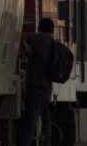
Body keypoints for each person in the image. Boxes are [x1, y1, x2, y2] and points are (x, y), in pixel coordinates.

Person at [18, 17, 57, 146]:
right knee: (29, 121)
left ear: (40, 28)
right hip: (45, 90)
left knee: (28, 123)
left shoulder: (41, 38)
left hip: (36, 90)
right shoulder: (50, 42)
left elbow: (23, 36)